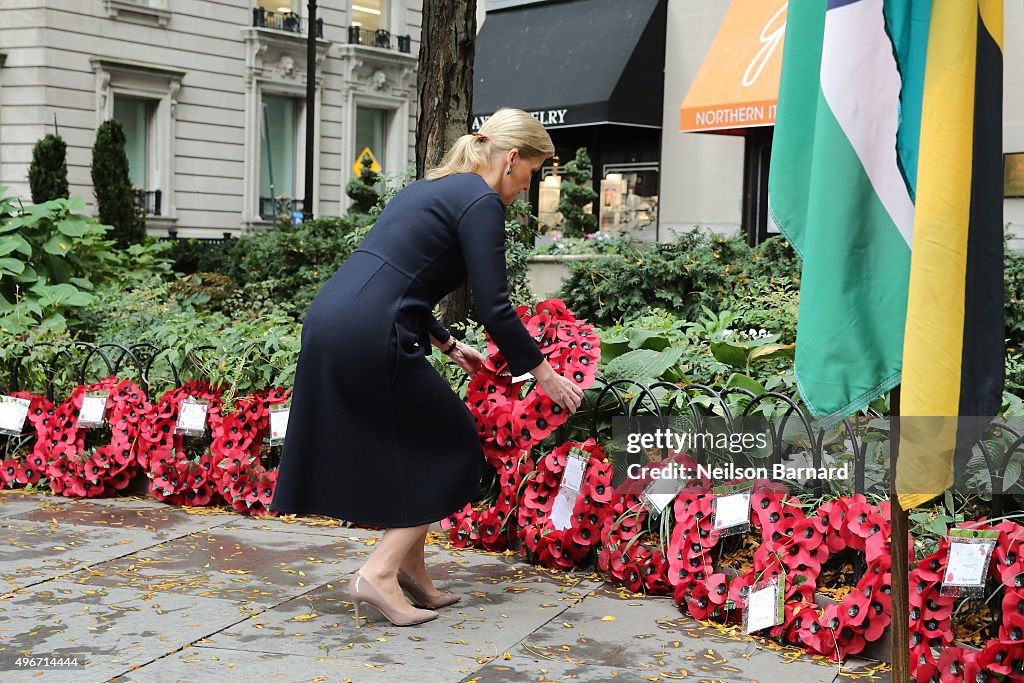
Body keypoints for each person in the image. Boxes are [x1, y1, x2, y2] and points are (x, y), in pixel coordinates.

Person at [271, 108, 585, 627]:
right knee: (457, 446)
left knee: (416, 446)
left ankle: (411, 571)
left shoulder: (432, 189)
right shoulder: (482, 201)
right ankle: (377, 574)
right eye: (531, 172)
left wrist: (445, 340)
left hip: (335, 319)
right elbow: (496, 306)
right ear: (511, 159)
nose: (527, 187)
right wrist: (543, 373)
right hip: (374, 333)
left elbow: (398, 271)